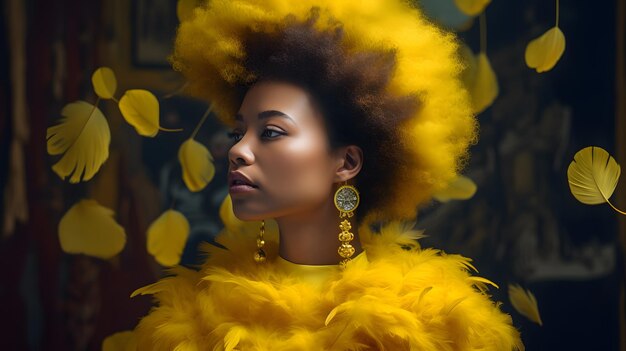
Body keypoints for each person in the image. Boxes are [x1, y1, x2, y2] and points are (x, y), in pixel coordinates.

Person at [130, 0, 525, 349]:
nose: (237, 150)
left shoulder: (440, 324)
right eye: (238, 132)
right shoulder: (190, 324)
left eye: (270, 132)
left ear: (346, 163)